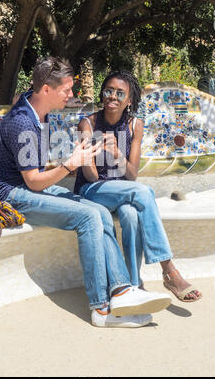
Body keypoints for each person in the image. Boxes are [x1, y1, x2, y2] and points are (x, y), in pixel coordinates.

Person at [0, 57, 172, 328]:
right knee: (88, 217)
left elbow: (21, 96)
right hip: (12, 193)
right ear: (47, 90)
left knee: (98, 211)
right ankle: (101, 309)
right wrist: (69, 165)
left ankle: (121, 291)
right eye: (67, 90)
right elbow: (34, 183)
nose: (72, 95)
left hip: (28, 184)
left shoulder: (36, 105)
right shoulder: (24, 124)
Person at [74, 70, 202, 303]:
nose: (112, 96)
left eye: (120, 93)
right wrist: (91, 151)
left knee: (131, 215)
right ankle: (169, 269)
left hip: (124, 191)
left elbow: (131, 175)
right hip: (92, 191)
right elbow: (90, 177)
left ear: (130, 100)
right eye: (108, 91)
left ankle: (133, 285)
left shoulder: (135, 125)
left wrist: (116, 154)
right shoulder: (88, 124)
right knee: (144, 192)